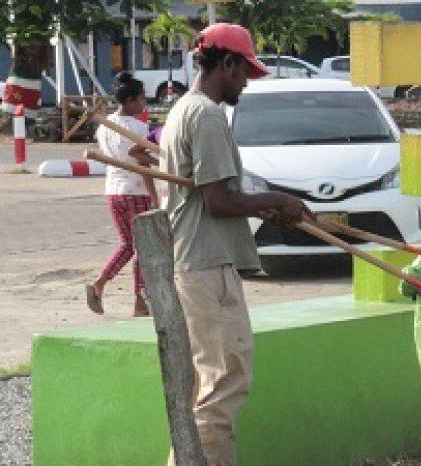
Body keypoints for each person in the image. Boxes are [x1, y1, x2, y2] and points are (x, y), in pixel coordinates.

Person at [158, 23, 311, 465]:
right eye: (244, 72)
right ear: (226, 63)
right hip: (206, 265)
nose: (246, 82)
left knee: (208, 388)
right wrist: (278, 199)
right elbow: (220, 200)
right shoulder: (205, 114)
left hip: (196, 261)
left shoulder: (184, 108)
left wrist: (273, 206)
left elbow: (215, 196)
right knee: (224, 384)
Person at [86, 71, 158, 317]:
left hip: (113, 191)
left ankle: (100, 284)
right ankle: (140, 300)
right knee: (142, 248)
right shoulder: (139, 127)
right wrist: (154, 198)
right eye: (141, 99)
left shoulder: (105, 127)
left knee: (127, 245)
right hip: (135, 192)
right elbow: (143, 166)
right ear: (129, 102)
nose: (144, 104)